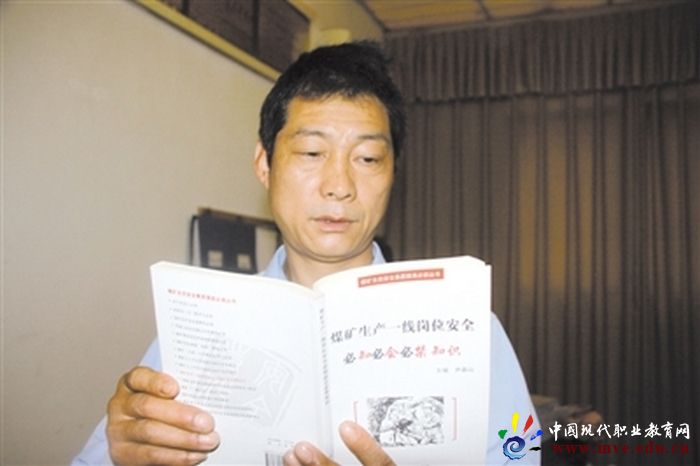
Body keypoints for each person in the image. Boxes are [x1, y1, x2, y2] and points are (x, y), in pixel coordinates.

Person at [73, 41, 539, 466]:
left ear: (393, 173)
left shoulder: (466, 328)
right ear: (264, 164)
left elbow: (520, 452)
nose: (339, 186)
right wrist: (121, 455)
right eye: (313, 153)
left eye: (368, 159)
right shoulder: (199, 328)